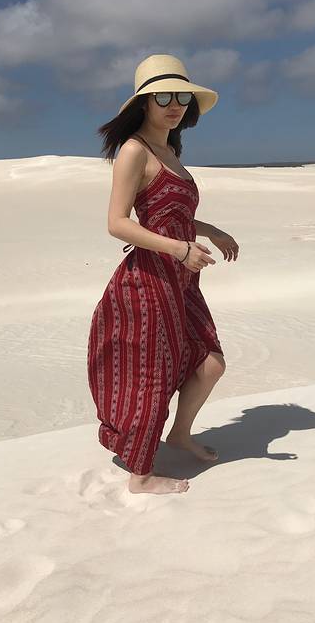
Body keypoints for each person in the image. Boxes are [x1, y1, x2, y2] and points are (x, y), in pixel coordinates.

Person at [87, 54, 239, 495]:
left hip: (182, 281)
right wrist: (180, 249)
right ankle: (140, 476)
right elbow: (117, 223)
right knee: (150, 376)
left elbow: (171, 215)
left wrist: (210, 230)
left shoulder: (170, 150)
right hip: (148, 280)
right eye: (163, 97)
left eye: (181, 97)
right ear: (145, 103)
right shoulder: (134, 150)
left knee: (210, 363)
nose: (174, 105)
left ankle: (180, 434)